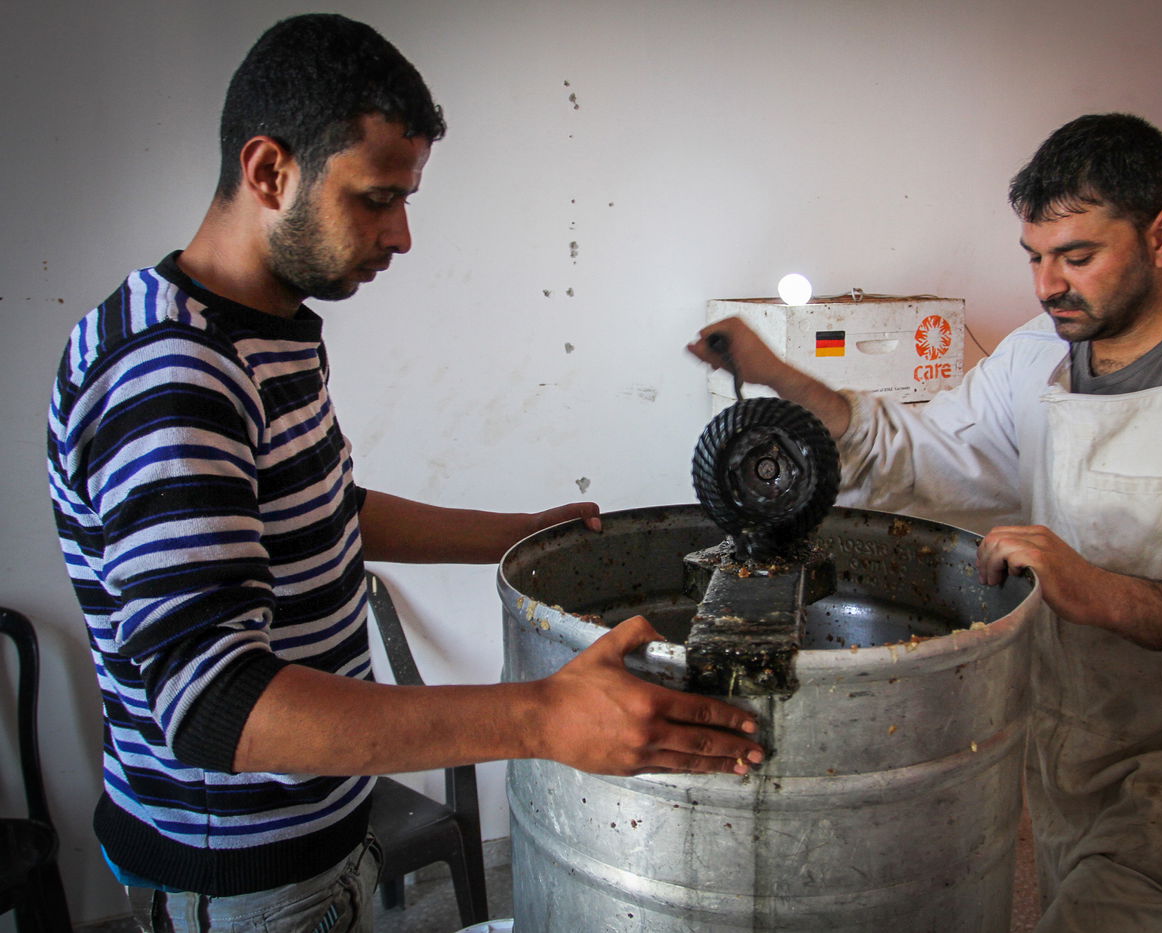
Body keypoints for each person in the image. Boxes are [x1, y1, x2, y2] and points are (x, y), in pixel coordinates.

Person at [47, 14, 763, 932]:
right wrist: (540, 716)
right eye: (378, 198)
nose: (404, 235)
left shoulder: (266, 329)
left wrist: (518, 537)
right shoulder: (171, 374)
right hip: (239, 877)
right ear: (270, 171)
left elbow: (323, 510)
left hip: (312, 834)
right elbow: (219, 704)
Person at [689, 113, 1162, 930]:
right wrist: (779, 372)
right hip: (1069, 746)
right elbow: (927, 451)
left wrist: (1105, 593)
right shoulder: (1040, 354)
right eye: (1036, 258)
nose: (1048, 283)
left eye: (1078, 256)